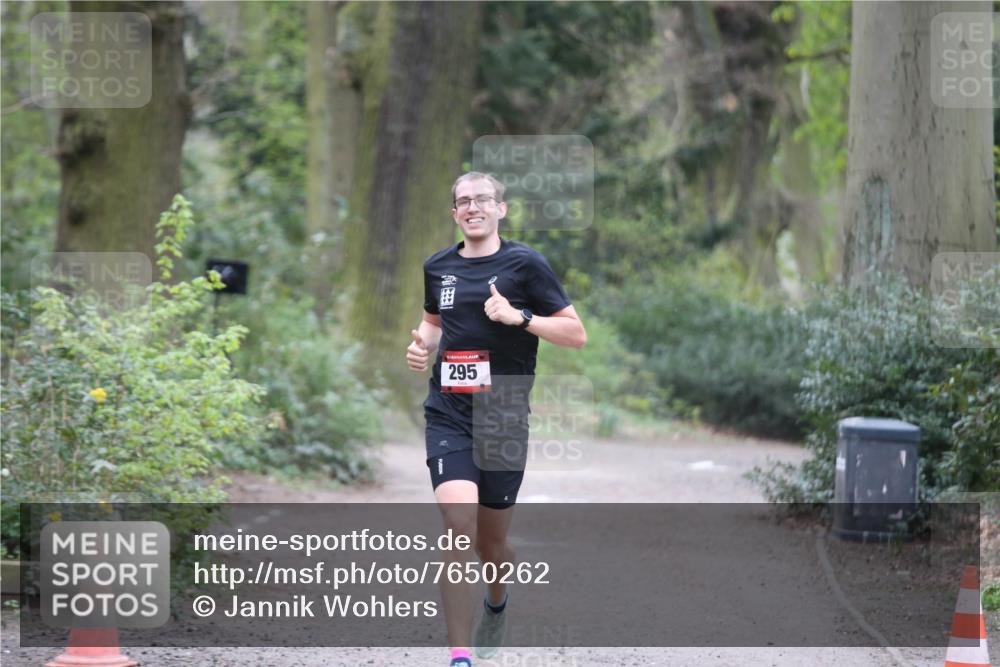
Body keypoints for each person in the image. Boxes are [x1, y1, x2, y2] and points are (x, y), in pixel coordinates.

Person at [406, 171, 586, 667]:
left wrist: (521, 318)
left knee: (492, 543)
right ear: (454, 213)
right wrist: (422, 346)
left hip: (504, 417)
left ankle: (497, 600)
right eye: (463, 201)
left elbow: (575, 334)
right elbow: (434, 324)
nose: (472, 207)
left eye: (482, 199)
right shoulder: (438, 267)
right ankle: (459, 655)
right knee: (458, 524)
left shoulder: (525, 264)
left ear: (500, 209)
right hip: (450, 413)